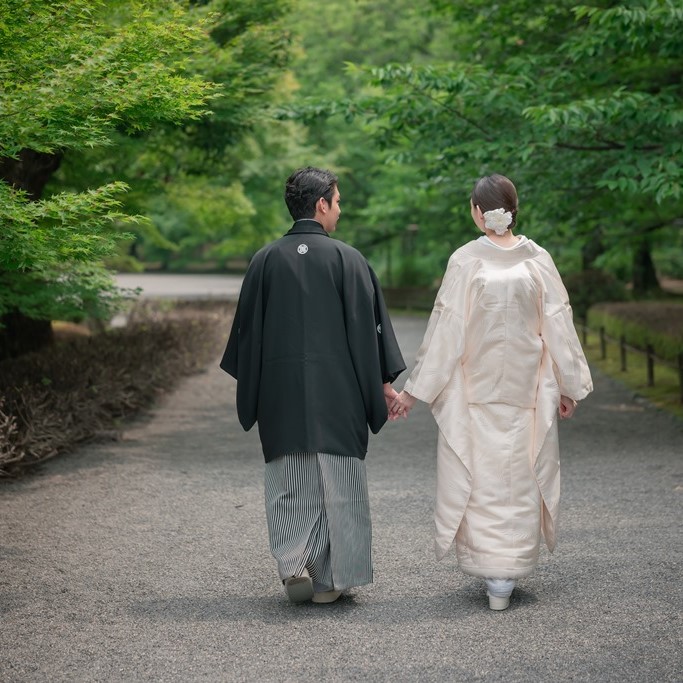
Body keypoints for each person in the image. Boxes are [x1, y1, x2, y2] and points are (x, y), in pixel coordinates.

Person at [390, 173, 592, 610]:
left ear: (478, 212)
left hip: (475, 391)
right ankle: (510, 570)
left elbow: (447, 329)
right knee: (519, 476)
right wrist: (569, 384)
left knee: (480, 477)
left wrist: (413, 392)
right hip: (527, 390)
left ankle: (491, 572)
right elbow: (557, 321)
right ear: (512, 208)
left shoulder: (466, 260)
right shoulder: (537, 259)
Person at [221, 166, 406, 604]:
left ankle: (292, 565)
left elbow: (245, 337)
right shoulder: (349, 259)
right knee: (338, 483)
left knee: (288, 477)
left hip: (279, 394)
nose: (340, 210)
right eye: (337, 202)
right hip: (338, 394)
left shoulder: (264, 260)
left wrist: (256, 389)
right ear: (321, 204)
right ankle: (331, 579)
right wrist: (382, 386)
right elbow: (369, 332)